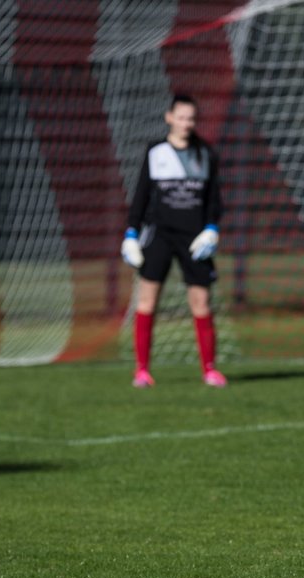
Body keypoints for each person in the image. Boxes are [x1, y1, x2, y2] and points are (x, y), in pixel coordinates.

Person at [121, 93, 226, 388]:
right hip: (159, 236)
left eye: (191, 118)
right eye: (180, 117)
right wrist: (131, 232)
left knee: (201, 301)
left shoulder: (205, 154)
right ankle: (142, 370)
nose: (186, 123)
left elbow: (214, 201)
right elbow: (141, 196)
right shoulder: (155, 152)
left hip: (194, 239)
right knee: (147, 299)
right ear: (169, 117)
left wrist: (211, 229)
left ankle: (209, 369)